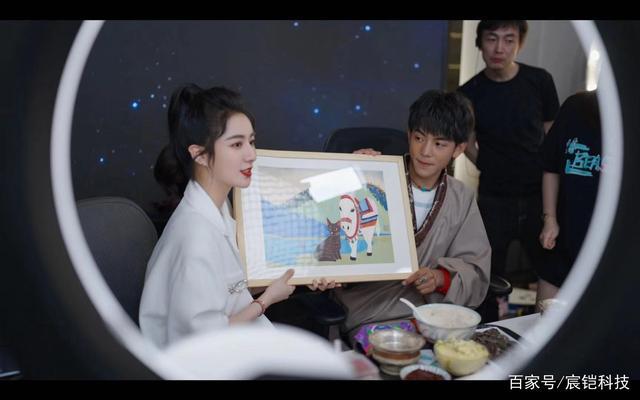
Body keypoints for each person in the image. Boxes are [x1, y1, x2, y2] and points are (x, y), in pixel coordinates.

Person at [139, 84, 298, 348]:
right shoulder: (195, 238)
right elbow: (203, 339)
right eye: (237, 144)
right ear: (200, 155)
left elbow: (227, 288)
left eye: (251, 141)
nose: (252, 154)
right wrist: (266, 300)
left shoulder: (219, 207)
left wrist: (295, 277)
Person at [331, 90, 491, 342]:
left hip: (432, 316)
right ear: (409, 135)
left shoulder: (462, 197)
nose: (425, 151)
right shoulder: (375, 177)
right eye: (419, 138)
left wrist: (440, 278)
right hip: (370, 314)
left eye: (439, 144)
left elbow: (475, 269)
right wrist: (347, 173)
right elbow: (316, 208)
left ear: (459, 149)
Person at [458, 20, 560, 291]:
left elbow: (553, 136)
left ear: (520, 43)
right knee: (489, 273)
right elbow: (467, 143)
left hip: (537, 195)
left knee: (548, 267)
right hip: (494, 197)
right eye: (491, 39)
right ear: (480, 43)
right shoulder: (468, 93)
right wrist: (489, 166)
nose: (499, 48)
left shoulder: (540, 80)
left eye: (508, 39)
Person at [537, 91, 601, 302]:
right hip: (563, 239)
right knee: (545, 315)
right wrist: (550, 218)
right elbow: (551, 167)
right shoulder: (576, 106)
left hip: (611, 251)